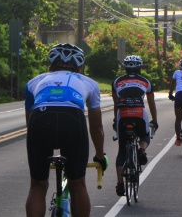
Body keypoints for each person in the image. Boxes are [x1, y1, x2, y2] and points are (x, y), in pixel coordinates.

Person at [24, 43, 108, 217]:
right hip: (72, 118)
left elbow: (29, 123)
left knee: (38, 185)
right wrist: (100, 156)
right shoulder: (90, 83)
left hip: (40, 118)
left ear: (50, 65)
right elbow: (96, 127)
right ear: (80, 66)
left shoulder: (34, 82)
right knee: (77, 183)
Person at [111, 55, 158, 197]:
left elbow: (116, 103)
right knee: (144, 134)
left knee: (121, 151)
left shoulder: (117, 81)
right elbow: (151, 103)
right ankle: (142, 150)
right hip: (139, 113)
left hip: (123, 114)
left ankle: (120, 184)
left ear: (125, 67)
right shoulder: (146, 82)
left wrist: (115, 120)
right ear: (140, 67)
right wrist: (155, 121)